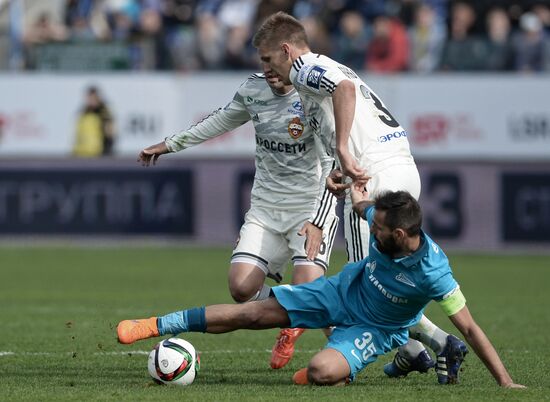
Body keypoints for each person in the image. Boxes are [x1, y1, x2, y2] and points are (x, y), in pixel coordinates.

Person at [116, 190, 525, 389]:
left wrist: (505, 383)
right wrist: (342, 184)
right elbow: (361, 200)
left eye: (378, 229)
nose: (371, 229)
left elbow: (470, 329)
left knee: (320, 371)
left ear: (400, 235)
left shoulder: (436, 273)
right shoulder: (382, 222)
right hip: (339, 291)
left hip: (376, 328)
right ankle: (155, 324)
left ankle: (350, 366)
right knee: (253, 313)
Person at [251, 11, 460, 379]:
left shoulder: (303, 67)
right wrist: (319, 217)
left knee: (365, 287)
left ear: (286, 50)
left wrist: (345, 149)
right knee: (378, 279)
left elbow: (343, 95)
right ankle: (414, 348)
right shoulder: (328, 75)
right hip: (402, 169)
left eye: (268, 59)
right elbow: (334, 150)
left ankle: (439, 342)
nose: (267, 69)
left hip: (369, 175)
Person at [136, 65, 338, 369]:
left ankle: (334, 336)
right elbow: (218, 122)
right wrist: (170, 144)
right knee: (242, 289)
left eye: (273, 61)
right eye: (262, 60)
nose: (268, 68)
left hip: (308, 209)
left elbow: (331, 162)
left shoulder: (313, 98)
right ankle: (294, 306)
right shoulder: (252, 90)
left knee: (309, 292)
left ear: (292, 57)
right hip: (266, 208)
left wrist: (320, 220)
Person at [73, 86, 116, 157]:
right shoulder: (83, 112)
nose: (91, 100)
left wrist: (107, 152)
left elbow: (109, 133)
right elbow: (78, 133)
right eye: (89, 98)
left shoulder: (104, 113)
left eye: (93, 98)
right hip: (80, 153)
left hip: (97, 154)